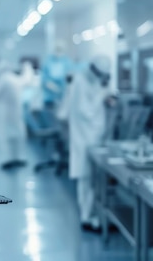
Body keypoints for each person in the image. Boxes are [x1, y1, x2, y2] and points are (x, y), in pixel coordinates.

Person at [65, 55, 111, 232]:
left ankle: (90, 215)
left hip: (89, 138)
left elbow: (92, 103)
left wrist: (103, 96)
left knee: (89, 180)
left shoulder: (88, 81)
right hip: (85, 139)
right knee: (87, 180)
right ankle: (87, 217)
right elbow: (87, 111)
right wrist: (102, 96)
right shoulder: (80, 82)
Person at [0, 59, 27, 170]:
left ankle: (7, 159)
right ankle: (19, 158)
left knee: (5, 136)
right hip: (17, 111)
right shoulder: (15, 78)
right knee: (18, 135)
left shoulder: (3, 80)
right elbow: (26, 80)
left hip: (5, 112)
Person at [40, 41, 72, 109]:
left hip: (63, 97)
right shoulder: (48, 61)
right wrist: (50, 86)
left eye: (61, 50)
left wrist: (64, 89)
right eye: (57, 49)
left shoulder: (66, 61)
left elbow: (70, 76)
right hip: (49, 98)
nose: (59, 52)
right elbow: (44, 78)